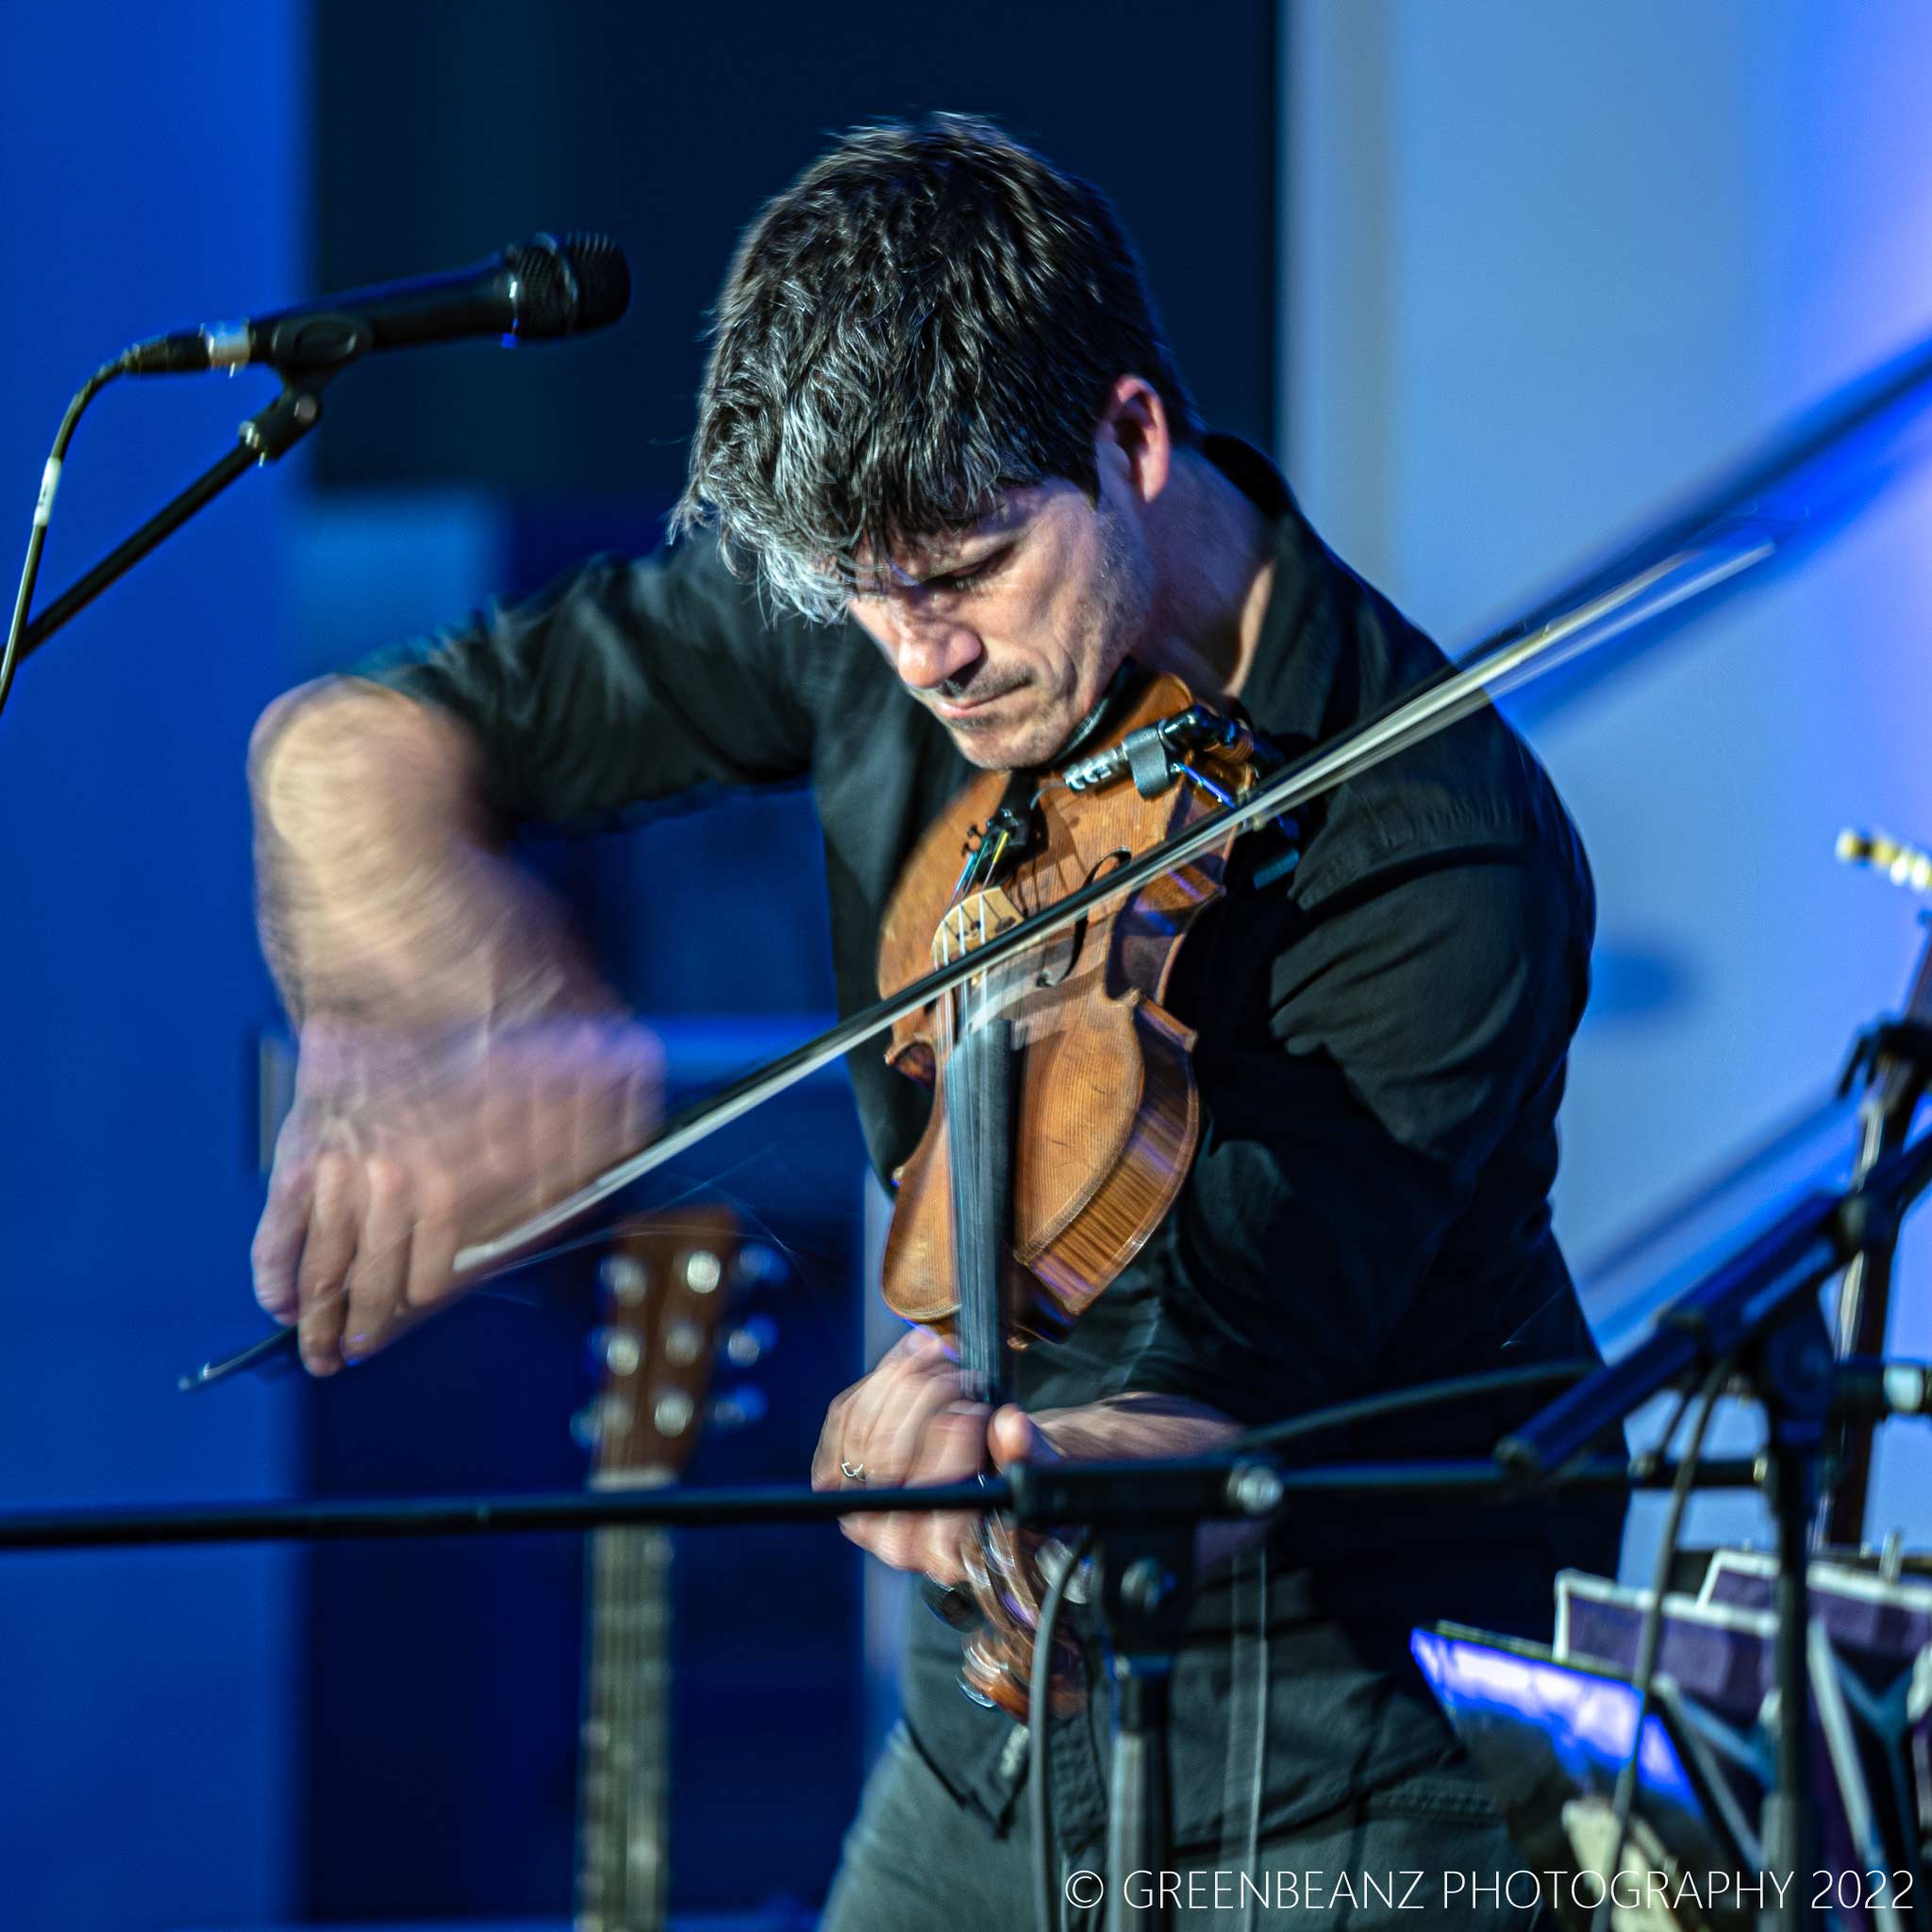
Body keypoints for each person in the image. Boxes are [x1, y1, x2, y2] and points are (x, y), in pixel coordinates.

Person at [249, 117, 1620, 1928]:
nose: (919, 657)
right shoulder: (888, 586)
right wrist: (440, 985)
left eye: (965, 574)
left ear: (1131, 440)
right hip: (977, 1749)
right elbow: (352, 748)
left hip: (1346, 1757)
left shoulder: (1433, 845)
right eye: (863, 599)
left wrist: (1007, 1453)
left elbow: (1211, 1404)